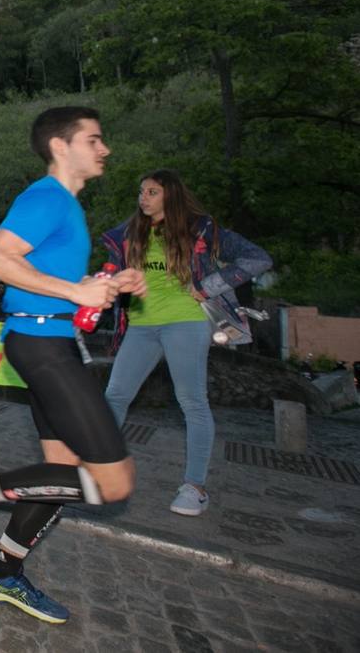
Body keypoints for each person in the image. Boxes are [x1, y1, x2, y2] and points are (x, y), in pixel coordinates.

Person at [0, 106, 146, 625]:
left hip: (52, 340)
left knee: (59, 474)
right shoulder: (47, 197)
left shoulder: (68, 208)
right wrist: (75, 289)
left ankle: (1, 570)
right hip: (42, 346)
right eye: (94, 140)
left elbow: (47, 277)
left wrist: (108, 284)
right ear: (60, 146)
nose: (105, 149)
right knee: (113, 483)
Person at [102, 169, 272, 517]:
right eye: (141, 191)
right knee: (115, 395)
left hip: (185, 322)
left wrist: (209, 286)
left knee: (192, 401)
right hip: (140, 325)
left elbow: (257, 259)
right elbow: (117, 274)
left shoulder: (201, 229)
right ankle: (96, 468)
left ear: (171, 195)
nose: (142, 198)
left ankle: (194, 487)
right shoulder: (129, 231)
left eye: (151, 192)